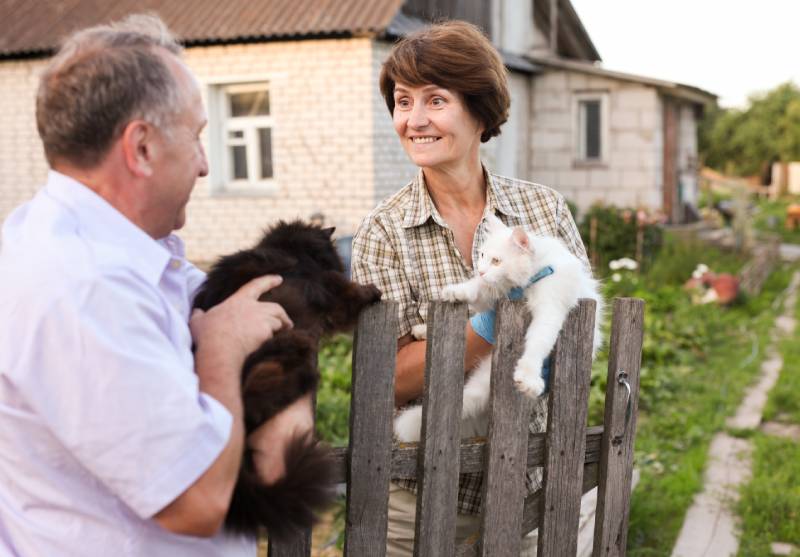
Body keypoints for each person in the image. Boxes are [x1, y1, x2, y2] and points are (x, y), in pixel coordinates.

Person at [0, 15, 314, 556]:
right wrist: (220, 348)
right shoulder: (82, 287)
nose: (203, 164)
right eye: (195, 135)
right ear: (141, 147)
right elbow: (195, 502)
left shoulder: (124, 253)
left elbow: (267, 317)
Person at [351, 21, 590, 556]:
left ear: (480, 110)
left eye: (435, 100)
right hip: (425, 490)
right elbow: (385, 379)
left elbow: (578, 332)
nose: (413, 120)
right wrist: (489, 326)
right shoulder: (382, 233)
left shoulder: (542, 210)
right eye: (403, 101)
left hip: (539, 473)